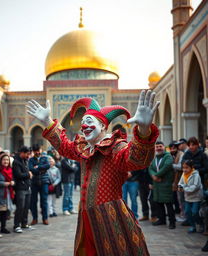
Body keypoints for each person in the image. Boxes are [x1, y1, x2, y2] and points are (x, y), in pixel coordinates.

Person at [27, 90, 159, 255]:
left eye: (89, 121)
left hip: (111, 218)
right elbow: (64, 146)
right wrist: (47, 120)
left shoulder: (115, 146)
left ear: (103, 125)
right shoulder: (83, 148)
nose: (84, 126)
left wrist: (144, 130)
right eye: (82, 122)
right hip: (87, 217)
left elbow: (136, 160)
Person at [149, 141, 176, 229]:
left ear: (164, 147)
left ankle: (172, 222)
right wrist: (154, 176)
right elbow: (150, 168)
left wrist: (156, 175)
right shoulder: (155, 157)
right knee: (158, 203)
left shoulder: (168, 156)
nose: (158, 148)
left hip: (166, 184)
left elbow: (167, 166)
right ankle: (162, 220)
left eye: (160, 146)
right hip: (157, 185)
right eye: (157, 147)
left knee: (168, 204)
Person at [178, 159, 203, 233]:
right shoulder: (183, 174)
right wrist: (180, 186)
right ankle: (193, 226)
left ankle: (201, 224)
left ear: (191, 167)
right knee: (187, 212)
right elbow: (180, 182)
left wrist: (184, 189)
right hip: (188, 197)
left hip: (196, 197)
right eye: (183, 167)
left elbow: (195, 187)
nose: (184, 169)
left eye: (186, 167)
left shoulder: (196, 175)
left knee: (195, 212)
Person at [28, 144, 50, 225]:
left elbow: (47, 166)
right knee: (33, 201)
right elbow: (31, 168)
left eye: (38, 150)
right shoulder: (31, 160)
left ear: (41, 150)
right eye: (35, 151)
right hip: (34, 182)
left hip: (44, 182)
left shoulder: (45, 158)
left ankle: (45, 218)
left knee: (44, 201)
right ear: (33, 152)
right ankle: (34, 218)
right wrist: (41, 169)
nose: (37, 152)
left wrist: (38, 167)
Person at [12, 146, 32, 233]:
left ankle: (24, 223)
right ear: (22, 153)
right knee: (20, 207)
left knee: (26, 207)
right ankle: (17, 225)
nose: (29, 156)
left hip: (27, 187)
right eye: (27, 154)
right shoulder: (16, 162)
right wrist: (28, 174)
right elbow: (18, 175)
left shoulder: (25, 161)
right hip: (20, 188)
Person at [0, 154, 15, 234]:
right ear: (1, 161)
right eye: (4, 160)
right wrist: (4, 183)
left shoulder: (10, 169)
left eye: (7, 160)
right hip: (0, 194)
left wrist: (13, 182)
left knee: (6, 211)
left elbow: (13, 179)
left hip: (8, 193)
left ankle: (3, 227)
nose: (6, 161)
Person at [169, 141, 184, 216]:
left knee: (181, 198)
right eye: (171, 148)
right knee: (177, 198)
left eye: (174, 148)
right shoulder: (171, 155)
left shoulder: (181, 154)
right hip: (175, 180)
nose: (172, 150)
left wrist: (171, 165)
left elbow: (180, 166)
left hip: (181, 180)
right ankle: (179, 212)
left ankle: (184, 214)